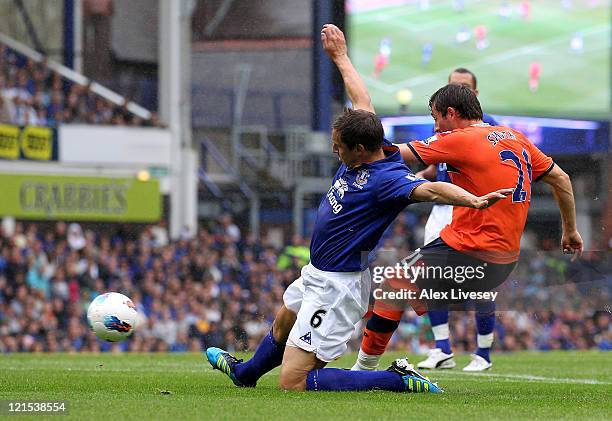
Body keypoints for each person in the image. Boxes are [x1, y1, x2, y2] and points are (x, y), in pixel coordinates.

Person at [205, 24, 512, 393]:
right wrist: (340, 56)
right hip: (317, 271)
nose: (336, 151)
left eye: (340, 147)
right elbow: (361, 97)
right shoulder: (367, 135)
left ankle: (395, 380)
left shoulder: (388, 181)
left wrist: (474, 200)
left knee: (294, 381)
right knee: (285, 319)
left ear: (360, 150)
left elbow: (431, 189)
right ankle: (246, 374)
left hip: (338, 287)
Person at [351, 87, 583, 374]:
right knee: (407, 285)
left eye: (437, 118)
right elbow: (561, 178)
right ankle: (456, 351)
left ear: (452, 113)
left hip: (470, 251)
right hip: (503, 259)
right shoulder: (515, 137)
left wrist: (357, 143)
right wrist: (570, 231)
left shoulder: (461, 140)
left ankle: (364, 369)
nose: (436, 127)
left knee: (392, 284)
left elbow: (391, 153)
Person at [411, 68, 502, 372]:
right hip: (441, 209)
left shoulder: (491, 129)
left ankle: (484, 354)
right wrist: (422, 176)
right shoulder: (444, 127)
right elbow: (439, 167)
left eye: (463, 87)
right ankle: (442, 350)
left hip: (475, 208)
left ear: (475, 94)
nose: (456, 92)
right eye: (451, 87)